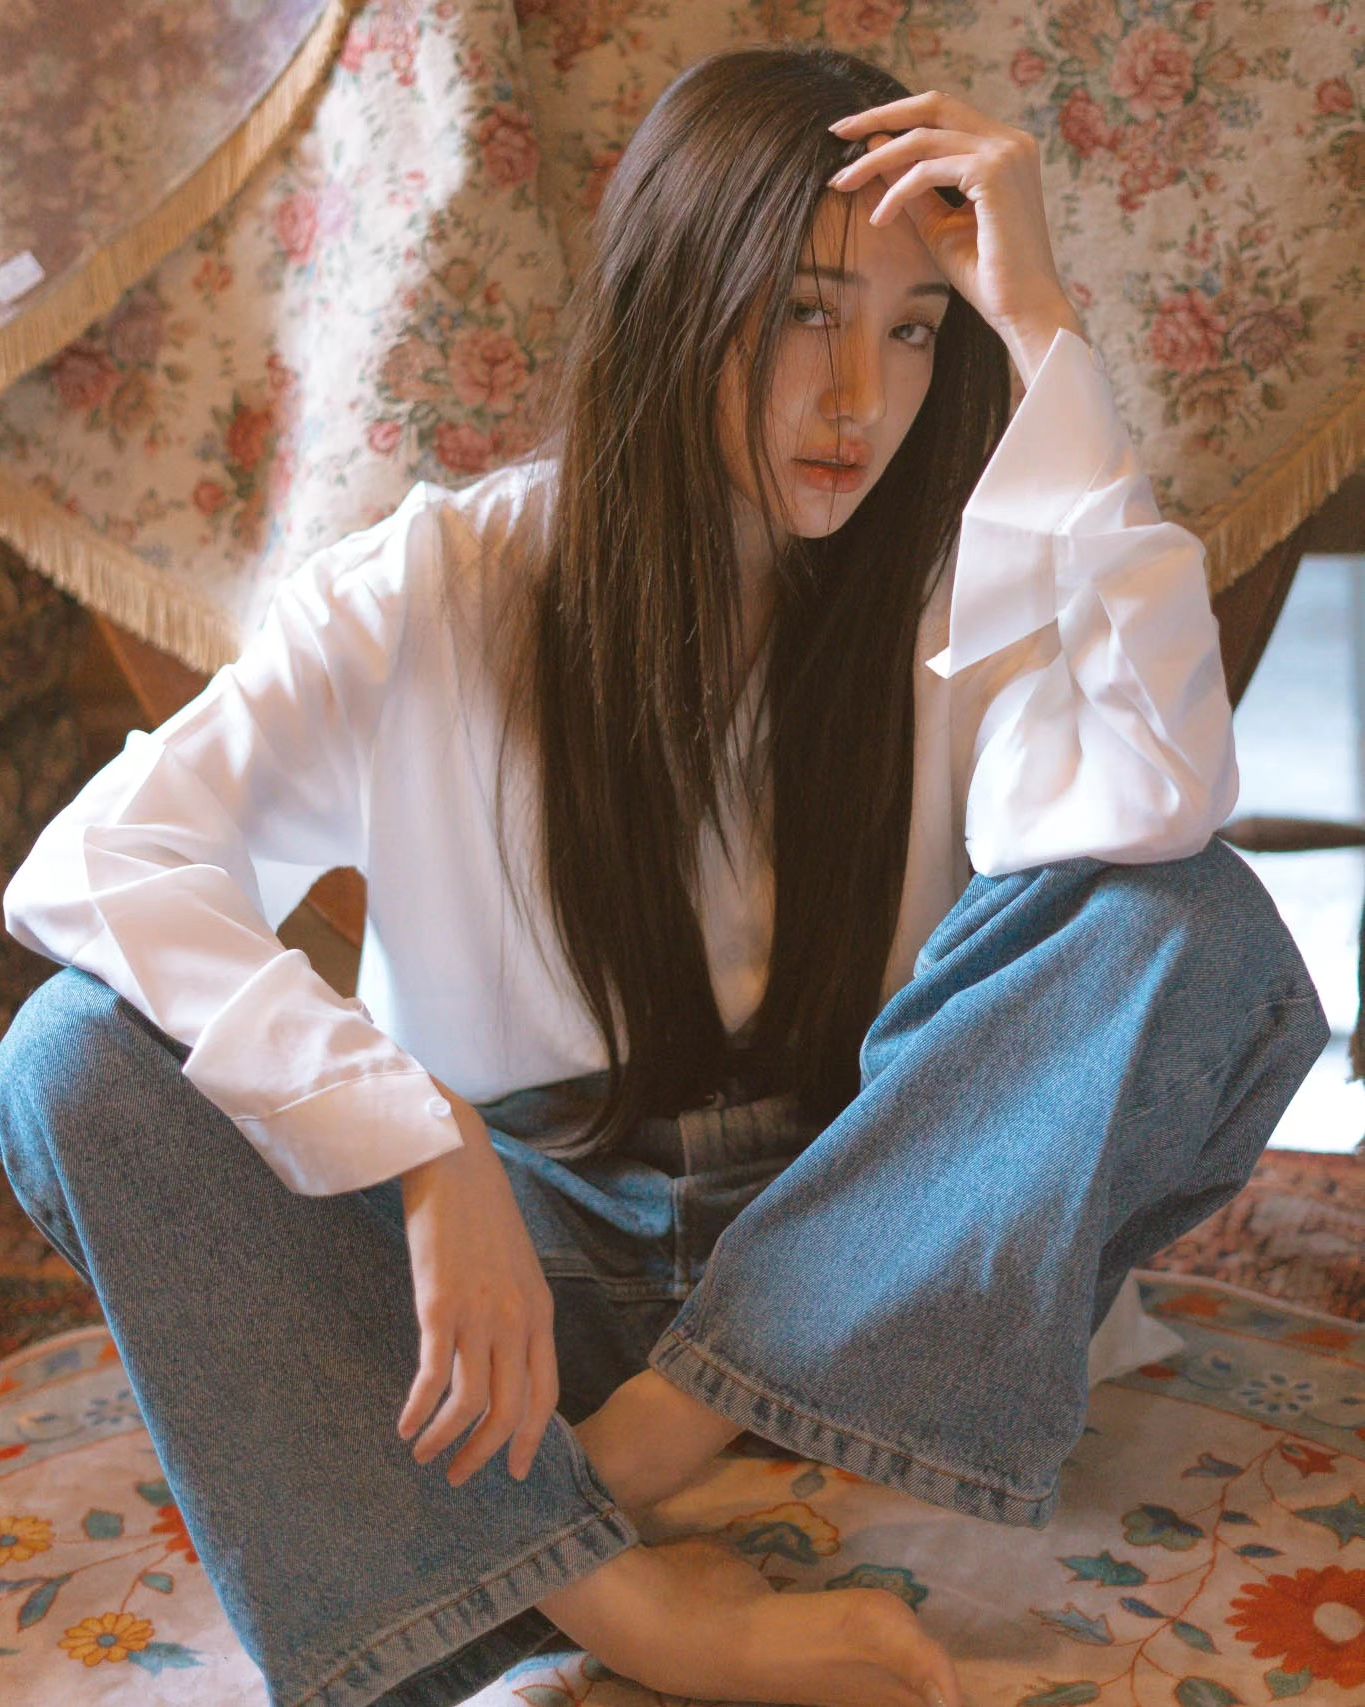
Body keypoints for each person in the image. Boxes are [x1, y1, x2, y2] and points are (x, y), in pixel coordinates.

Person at [0, 40, 1329, 1707]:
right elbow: (100, 864)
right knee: (67, 1060)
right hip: (530, 1273)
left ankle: (644, 1447)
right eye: (802, 313)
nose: (860, 397)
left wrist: (1042, 322)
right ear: (675, 293)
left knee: (1186, 923)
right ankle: (625, 1599)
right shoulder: (437, 585)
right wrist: (421, 1139)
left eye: (913, 330)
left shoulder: (958, 591)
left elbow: (1155, 806)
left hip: (867, 1252)